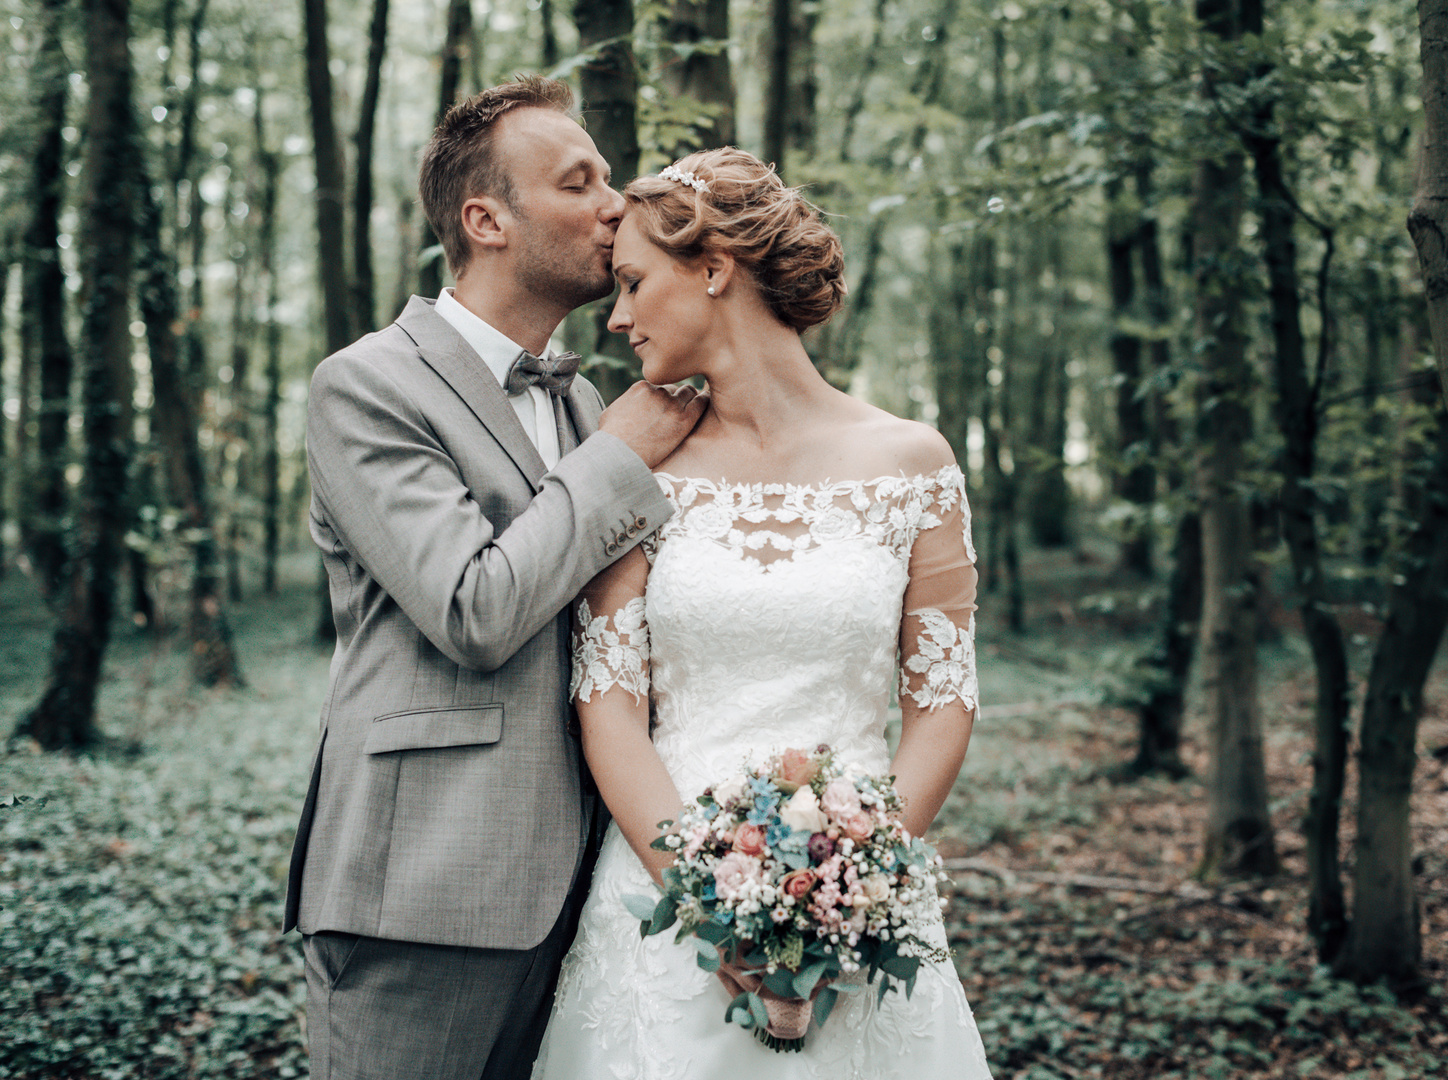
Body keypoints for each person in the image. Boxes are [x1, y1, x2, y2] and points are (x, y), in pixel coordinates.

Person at [532, 147, 991, 1078]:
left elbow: (943, 702)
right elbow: (607, 703)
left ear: (712, 269)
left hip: (861, 907)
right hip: (663, 906)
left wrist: (849, 891)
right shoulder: (637, 467)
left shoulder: (913, 462)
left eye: (630, 284)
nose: (616, 319)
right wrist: (708, 904)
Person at [284, 76, 707, 1080]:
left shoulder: (588, 399)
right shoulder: (366, 384)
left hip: (579, 894)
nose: (617, 203)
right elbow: (473, 609)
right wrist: (622, 455)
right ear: (486, 220)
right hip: (420, 890)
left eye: (608, 176)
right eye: (579, 182)